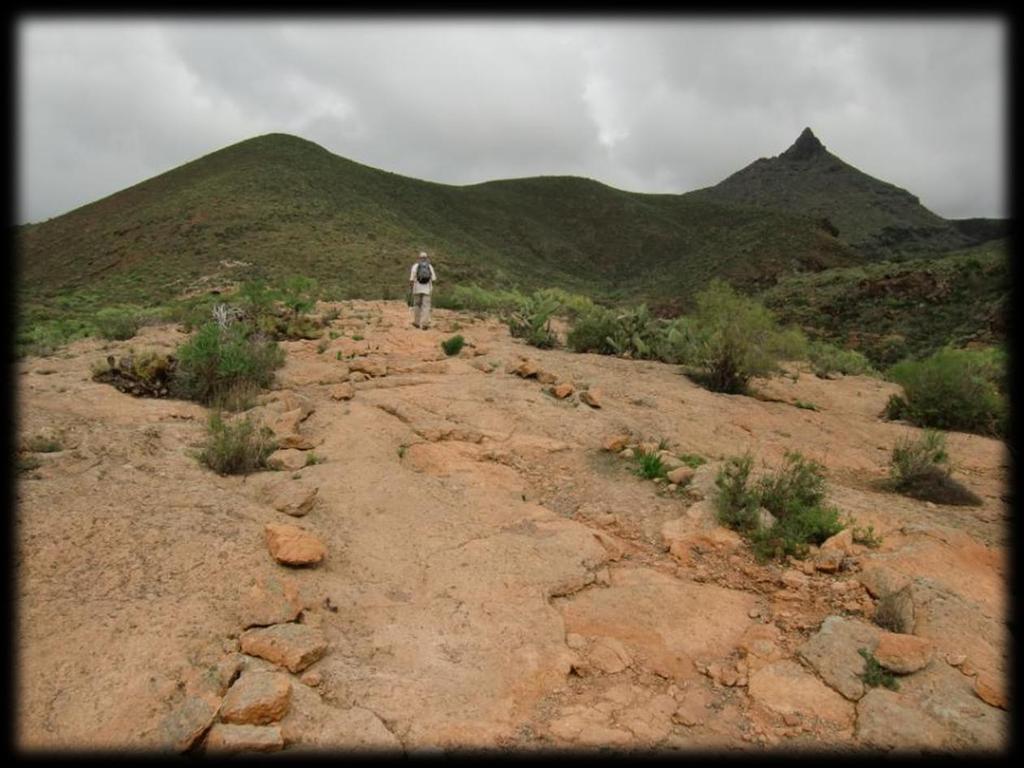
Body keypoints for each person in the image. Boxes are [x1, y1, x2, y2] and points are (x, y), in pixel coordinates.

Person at [408, 251, 437, 329]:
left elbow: (411, 279)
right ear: (426, 258)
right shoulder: (430, 266)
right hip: (427, 289)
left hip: (417, 289)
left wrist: (411, 286)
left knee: (417, 305)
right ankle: (424, 324)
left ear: (419, 258)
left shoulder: (415, 266)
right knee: (426, 306)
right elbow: (434, 279)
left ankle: (416, 323)